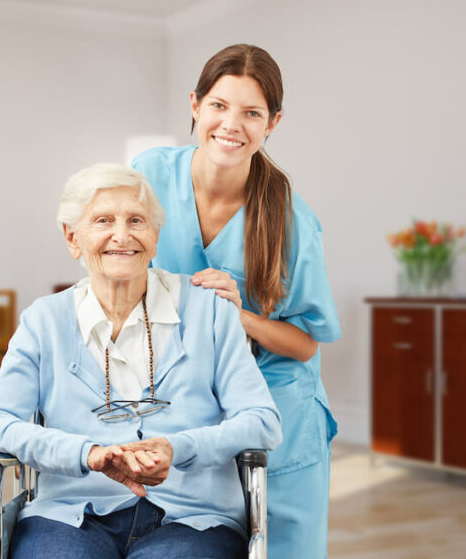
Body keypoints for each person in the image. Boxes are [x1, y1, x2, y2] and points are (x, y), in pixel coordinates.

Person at [0, 163, 281, 559]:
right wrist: (87, 453)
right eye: (103, 221)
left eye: (137, 220)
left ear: (154, 237)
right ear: (72, 238)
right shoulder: (43, 321)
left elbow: (262, 421)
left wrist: (179, 447)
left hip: (193, 518)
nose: (122, 235)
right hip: (69, 515)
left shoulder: (210, 311)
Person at [131, 43, 341, 559]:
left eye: (252, 113)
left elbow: (307, 344)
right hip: (190, 401)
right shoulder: (149, 175)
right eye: (220, 106)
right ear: (195, 105)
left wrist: (241, 314)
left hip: (278, 410)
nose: (232, 125)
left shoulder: (289, 219)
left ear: (273, 123)